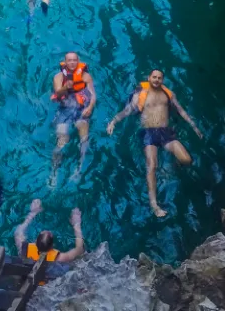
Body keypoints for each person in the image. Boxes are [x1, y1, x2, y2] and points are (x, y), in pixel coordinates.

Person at [106, 69, 203, 218]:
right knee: (151, 165)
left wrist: (194, 126)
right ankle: (154, 205)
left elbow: (181, 111)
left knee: (186, 160)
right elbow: (127, 110)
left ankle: (167, 170)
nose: (156, 80)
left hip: (166, 133)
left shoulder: (168, 94)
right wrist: (113, 121)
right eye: (154, 77)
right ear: (149, 78)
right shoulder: (141, 94)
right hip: (148, 133)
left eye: (159, 78)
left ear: (162, 80)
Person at [51, 52, 97, 182]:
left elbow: (93, 95)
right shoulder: (58, 77)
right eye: (69, 60)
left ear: (78, 61)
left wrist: (90, 107)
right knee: (61, 141)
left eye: (74, 60)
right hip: (65, 110)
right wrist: (66, 87)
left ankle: (79, 169)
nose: (72, 63)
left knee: (84, 139)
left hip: (81, 110)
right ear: (65, 62)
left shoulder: (86, 76)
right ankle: (54, 173)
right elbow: (57, 94)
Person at [14, 199, 84, 263]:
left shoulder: (23, 249)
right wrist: (76, 224)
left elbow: (18, 232)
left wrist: (32, 213)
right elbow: (80, 249)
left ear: (35, 241)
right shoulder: (60, 258)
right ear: (52, 246)